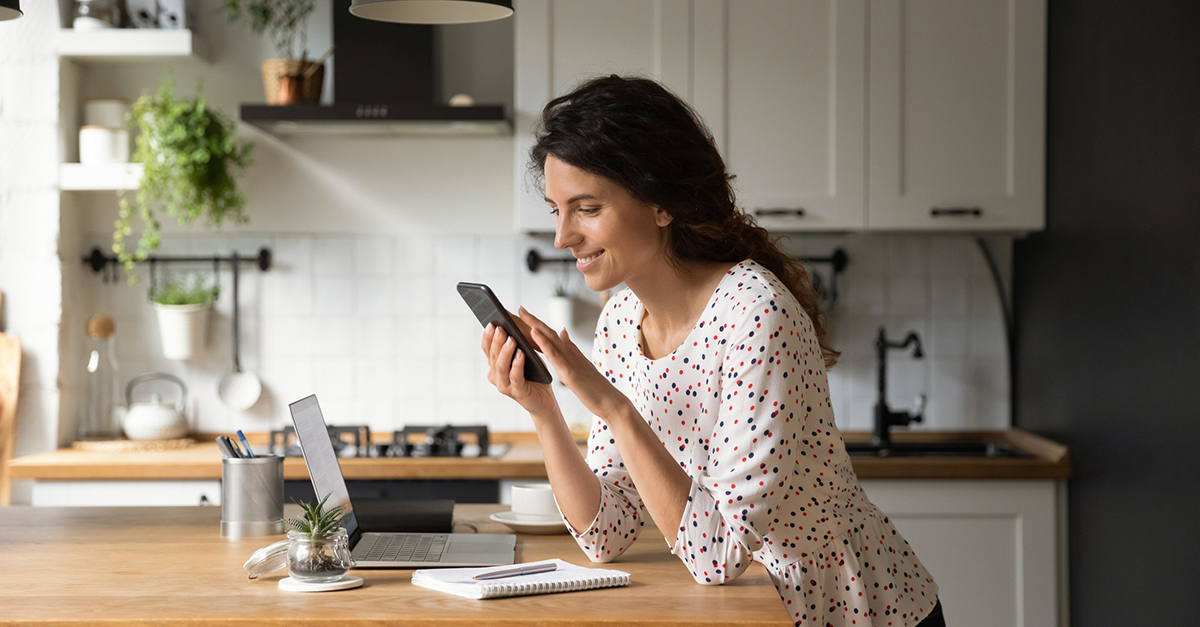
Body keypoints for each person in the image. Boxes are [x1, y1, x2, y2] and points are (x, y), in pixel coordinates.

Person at [480, 75, 943, 627]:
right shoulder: (622, 321)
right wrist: (544, 409)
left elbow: (718, 554)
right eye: (557, 209)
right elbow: (606, 533)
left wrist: (612, 406)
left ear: (661, 205)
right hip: (750, 608)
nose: (562, 237)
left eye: (586, 208)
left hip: (853, 609)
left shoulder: (755, 314)